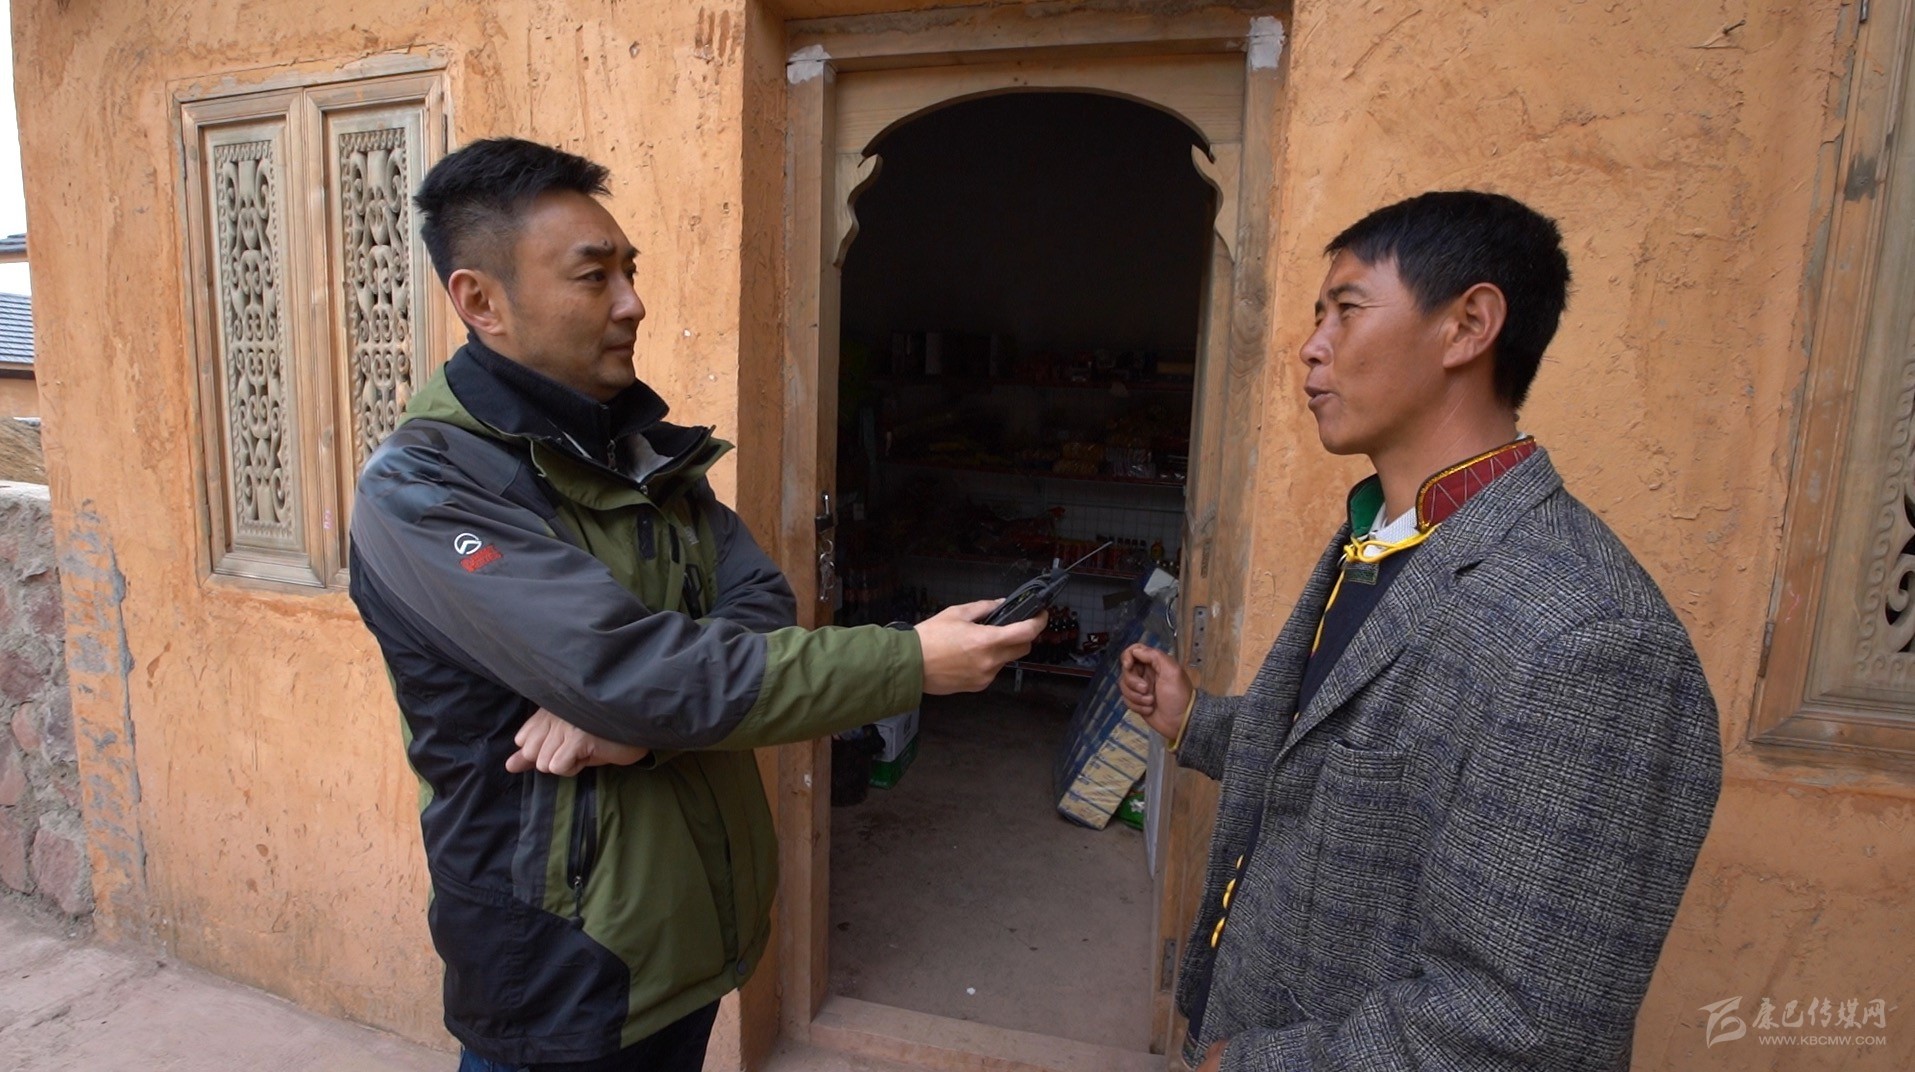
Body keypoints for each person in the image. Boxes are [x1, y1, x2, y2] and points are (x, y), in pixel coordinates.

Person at [347, 137, 1044, 1072]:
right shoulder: (425, 491)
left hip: (685, 936)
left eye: (629, 270)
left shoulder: (639, 448)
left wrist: (641, 722)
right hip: (562, 967)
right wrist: (906, 662)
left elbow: (755, 599)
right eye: (593, 276)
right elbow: (627, 670)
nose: (632, 302)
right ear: (481, 302)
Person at [1120, 191, 1721, 1072]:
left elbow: (1516, 1028)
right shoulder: (1387, 534)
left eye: (1346, 309)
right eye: (1316, 315)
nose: (1310, 345)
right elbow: (1346, 764)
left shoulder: (1591, 639)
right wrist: (1196, 720)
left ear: (1467, 325)